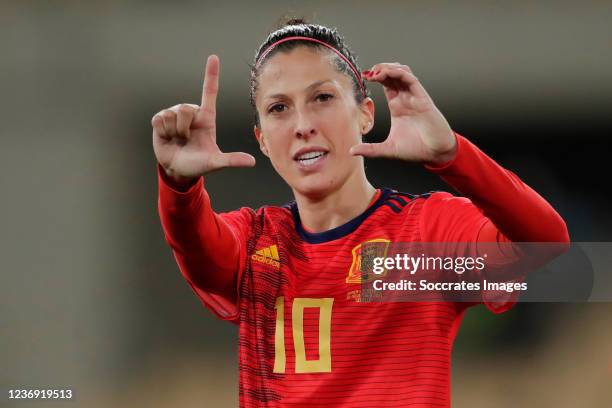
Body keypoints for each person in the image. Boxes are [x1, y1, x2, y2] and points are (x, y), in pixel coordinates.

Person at [153, 20, 569, 408]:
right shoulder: (254, 241)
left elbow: (543, 243)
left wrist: (453, 156)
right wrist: (178, 185)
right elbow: (198, 249)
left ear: (366, 113)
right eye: (279, 108)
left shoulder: (423, 234)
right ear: (262, 139)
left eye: (322, 98)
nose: (303, 125)